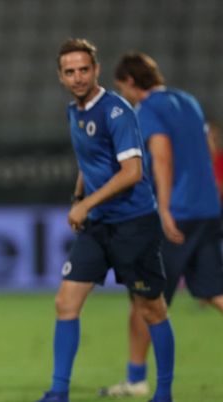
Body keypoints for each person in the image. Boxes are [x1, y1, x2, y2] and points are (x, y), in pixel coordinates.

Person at [36, 39, 175, 402]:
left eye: (84, 69)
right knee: (65, 303)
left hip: (134, 223)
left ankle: (163, 393)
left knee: (151, 307)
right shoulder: (73, 111)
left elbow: (132, 172)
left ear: (96, 70)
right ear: (61, 76)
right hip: (98, 226)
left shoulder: (116, 110)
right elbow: (89, 162)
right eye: (70, 71)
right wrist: (79, 199)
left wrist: (86, 205)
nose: (78, 77)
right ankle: (58, 392)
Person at [98, 52, 223, 398]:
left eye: (122, 87)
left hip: (177, 213)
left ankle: (136, 379)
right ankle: (136, 378)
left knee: (144, 296)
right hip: (208, 208)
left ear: (130, 83)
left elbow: (162, 154)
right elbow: (209, 146)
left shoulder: (148, 109)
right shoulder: (188, 101)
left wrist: (164, 208)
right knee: (213, 291)